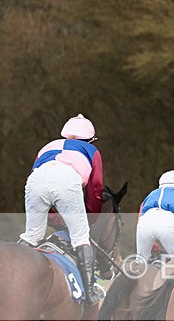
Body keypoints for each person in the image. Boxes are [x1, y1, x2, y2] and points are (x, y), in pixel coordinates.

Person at [18, 113, 104, 304]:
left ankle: (13, 271)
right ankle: (89, 293)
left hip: (35, 180)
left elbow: (42, 183)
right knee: (81, 238)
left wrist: (53, 217)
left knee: (32, 236)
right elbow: (95, 189)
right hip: (66, 179)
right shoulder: (91, 150)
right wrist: (90, 218)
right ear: (90, 139)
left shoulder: (47, 146)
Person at [137, 170, 174, 260]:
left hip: (145, 222)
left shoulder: (149, 196)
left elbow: (140, 220)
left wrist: (155, 248)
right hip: (167, 221)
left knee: (141, 261)